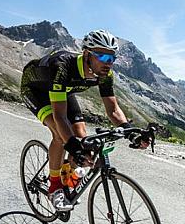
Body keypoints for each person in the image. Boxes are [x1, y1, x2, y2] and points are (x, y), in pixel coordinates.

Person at [20, 30, 149, 211]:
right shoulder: (62, 66)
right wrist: (72, 146)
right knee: (60, 135)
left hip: (63, 92)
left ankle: (68, 176)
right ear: (87, 54)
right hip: (35, 90)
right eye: (103, 57)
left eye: (112, 58)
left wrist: (131, 132)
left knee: (82, 136)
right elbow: (60, 117)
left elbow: (113, 110)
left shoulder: (105, 74)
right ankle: (55, 187)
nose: (109, 63)